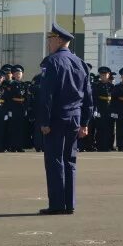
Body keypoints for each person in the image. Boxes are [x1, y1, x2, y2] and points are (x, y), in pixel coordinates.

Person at [36, 23, 93, 215]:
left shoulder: (52, 62)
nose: (47, 44)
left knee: (54, 161)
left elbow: (47, 95)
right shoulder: (80, 63)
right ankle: (69, 203)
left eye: (50, 39)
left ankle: (58, 204)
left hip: (57, 118)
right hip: (75, 117)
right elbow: (88, 96)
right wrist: (85, 122)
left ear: (59, 40)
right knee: (70, 159)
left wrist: (44, 121)